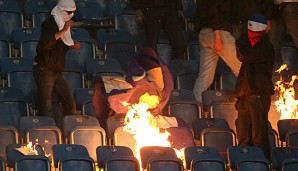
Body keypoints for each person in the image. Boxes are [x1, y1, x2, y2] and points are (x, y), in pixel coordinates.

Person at [234, 14, 275, 160]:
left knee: (259, 137)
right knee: (243, 136)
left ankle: (262, 164)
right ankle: (244, 164)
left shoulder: (267, 48)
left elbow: (245, 55)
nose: (252, 32)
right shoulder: (243, 42)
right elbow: (242, 51)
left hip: (259, 94)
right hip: (245, 94)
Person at [33, 0, 80, 123]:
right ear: (61, 10)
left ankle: (69, 132)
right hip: (44, 69)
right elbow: (44, 45)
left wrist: (70, 46)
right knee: (46, 107)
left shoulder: (62, 23)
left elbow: (58, 46)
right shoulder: (50, 23)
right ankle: (44, 135)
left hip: (56, 70)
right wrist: (64, 30)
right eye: (69, 12)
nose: (71, 15)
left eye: (73, 12)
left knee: (70, 103)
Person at [193, 0, 241, 104]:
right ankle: (249, 104)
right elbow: (214, 10)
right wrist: (217, 35)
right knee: (242, 67)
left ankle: (197, 107)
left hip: (204, 33)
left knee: (205, 77)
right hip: (218, 32)